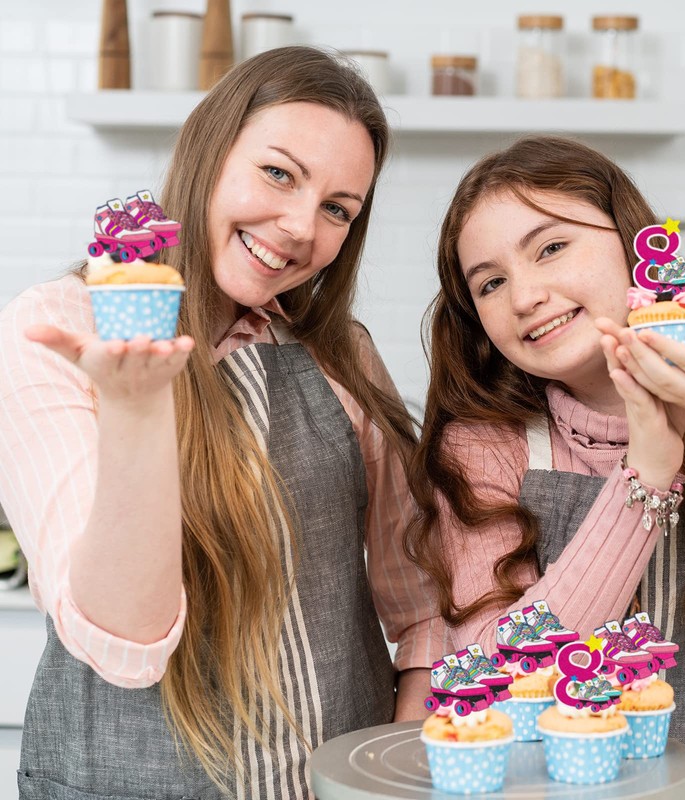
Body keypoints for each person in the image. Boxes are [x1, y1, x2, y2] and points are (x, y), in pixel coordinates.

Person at [0, 46, 437, 800]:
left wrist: (399, 754)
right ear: (210, 150)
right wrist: (137, 407)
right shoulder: (57, 328)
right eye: (278, 172)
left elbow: (423, 598)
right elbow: (124, 642)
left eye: (338, 208)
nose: (302, 227)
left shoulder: (342, 355)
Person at [404, 135, 685, 799]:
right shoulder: (485, 449)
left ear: (632, 242)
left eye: (551, 247)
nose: (525, 295)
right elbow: (496, 677)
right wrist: (644, 479)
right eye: (491, 283)